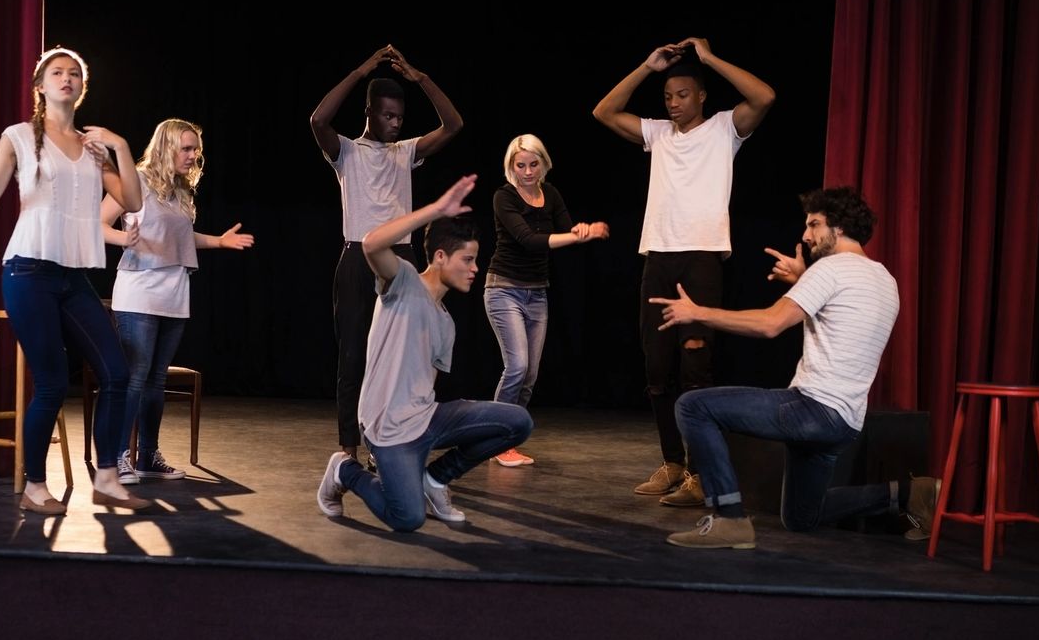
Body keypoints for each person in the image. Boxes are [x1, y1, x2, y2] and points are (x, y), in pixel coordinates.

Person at [0, 47, 149, 515]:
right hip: (27, 271)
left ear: (82, 88)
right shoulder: (20, 137)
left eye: (75, 74)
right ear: (40, 86)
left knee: (116, 373)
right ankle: (35, 486)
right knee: (51, 382)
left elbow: (133, 199)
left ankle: (107, 478)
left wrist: (121, 147)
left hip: (72, 275)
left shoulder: (93, 146)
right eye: (57, 72)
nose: (67, 78)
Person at [647, 187, 939, 549]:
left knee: (692, 406)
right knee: (802, 518)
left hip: (812, 409)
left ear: (841, 227)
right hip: (844, 422)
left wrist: (698, 313)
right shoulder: (883, 278)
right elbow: (844, 320)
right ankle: (910, 493)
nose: (805, 235)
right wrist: (804, 279)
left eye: (814, 224)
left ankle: (729, 518)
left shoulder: (830, 270)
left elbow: (771, 324)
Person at [593, 37, 775, 507]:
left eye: (682, 95)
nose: (673, 104)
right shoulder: (657, 133)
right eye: (668, 96)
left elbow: (764, 97)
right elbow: (604, 112)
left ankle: (699, 472)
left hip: (701, 258)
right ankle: (672, 462)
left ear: (701, 97)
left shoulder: (723, 129)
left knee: (696, 365)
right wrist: (646, 65)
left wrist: (711, 58)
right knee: (657, 368)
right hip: (658, 255)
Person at [316, 175, 533, 531]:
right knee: (408, 518)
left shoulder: (447, 324)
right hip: (387, 427)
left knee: (518, 422)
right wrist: (435, 210)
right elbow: (371, 244)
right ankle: (345, 470)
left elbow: (426, 384)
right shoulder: (402, 281)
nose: (475, 269)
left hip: (427, 420)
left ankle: (435, 479)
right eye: (468, 259)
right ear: (440, 257)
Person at [311, 44, 464, 465]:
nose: (396, 124)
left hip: (401, 259)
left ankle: (388, 441)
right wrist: (360, 70)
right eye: (387, 115)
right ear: (369, 112)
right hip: (358, 256)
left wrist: (422, 79)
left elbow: (453, 124)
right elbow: (318, 119)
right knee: (354, 355)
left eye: (400, 117)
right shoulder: (346, 151)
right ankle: (348, 447)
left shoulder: (406, 152)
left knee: (401, 358)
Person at [103, 118, 253, 484]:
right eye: (186, 149)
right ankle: (117, 456)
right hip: (139, 290)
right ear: (166, 147)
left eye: (195, 150)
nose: (193, 156)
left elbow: (180, 237)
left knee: (155, 380)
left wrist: (218, 241)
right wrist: (124, 240)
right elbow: (98, 223)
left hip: (174, 291)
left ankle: (147, 457)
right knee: (135, 379)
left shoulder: (182, 192)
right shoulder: (135, 180)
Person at [485, 134, 610, 467]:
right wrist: (573, 235)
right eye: (520, 165)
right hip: (503, 289)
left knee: (530, 374)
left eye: (533, 164)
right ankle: (494, 440)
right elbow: (529, 240)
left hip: (537, 292)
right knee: (517, 367)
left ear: (544, 163)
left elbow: (566, 230)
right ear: (511, 167)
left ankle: (507, 441)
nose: (527, 171)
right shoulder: (504, 197)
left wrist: (583, 231)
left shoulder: (550, 193)